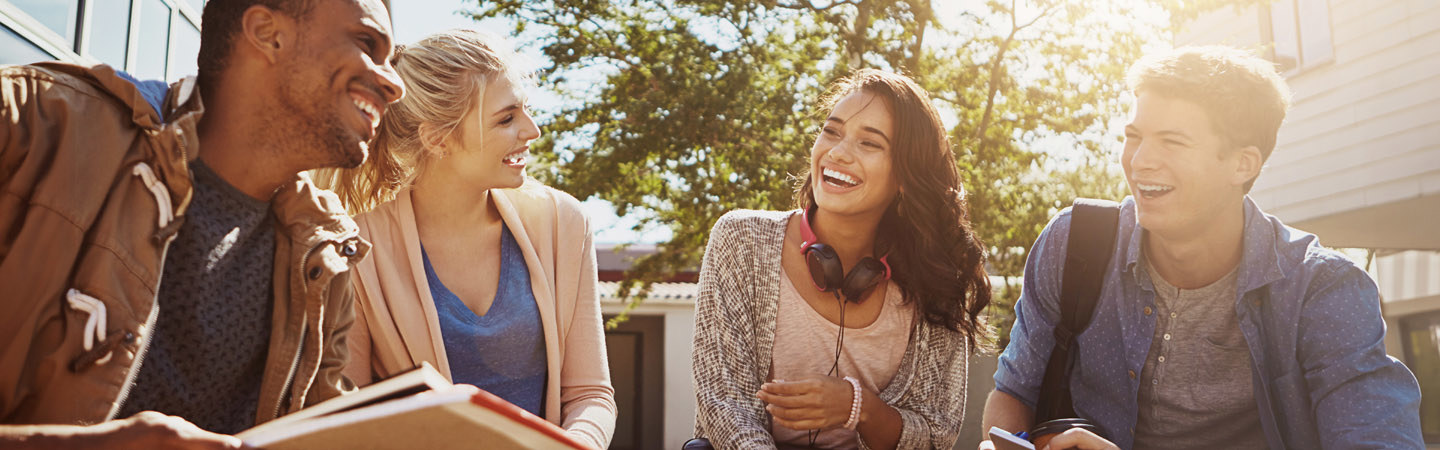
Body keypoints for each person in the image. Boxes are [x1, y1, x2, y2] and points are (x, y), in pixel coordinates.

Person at [0, 0, 404, 446]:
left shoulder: (327, 260)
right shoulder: (28, 127)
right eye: (367, 43)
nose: (394, 84)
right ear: (268, 33)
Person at [980, 46, 1424, 449]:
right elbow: (1015, 392)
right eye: (1133, 136)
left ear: (1242, 164)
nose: (1139, 161)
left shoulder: (1322, 288)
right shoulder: (1074, 242)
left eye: (1172, 141)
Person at [321, 29, 616, 449]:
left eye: (525, 110)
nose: (531, 131)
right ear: (437, 138)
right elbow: (349, 418)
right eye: (506, 118)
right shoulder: (355, 249)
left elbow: (590, 395)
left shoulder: (564, 223)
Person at [691, 69, 991, 450]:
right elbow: (724, 405)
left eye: (869, 143)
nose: (837, 152)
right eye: (831, 132)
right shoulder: (740, 240)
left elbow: (935, 436)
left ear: (906, 175)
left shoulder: (937, 282)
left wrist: (859, 406)